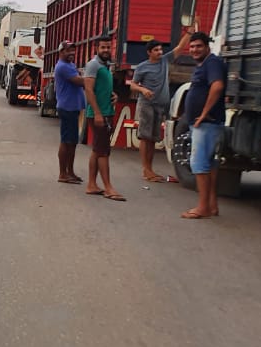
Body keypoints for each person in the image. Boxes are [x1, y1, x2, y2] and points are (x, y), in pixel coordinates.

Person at [128, 30, 192, 182]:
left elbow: (179, 48)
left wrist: (189, 32)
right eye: (156, 50)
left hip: (160, 106)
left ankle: (150, 169)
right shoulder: (142, 67)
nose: (159, 52)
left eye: (160, 49)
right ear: (149, 52)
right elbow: (133, 85)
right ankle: (146, 170)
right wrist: (143, 90)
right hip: (147, 105)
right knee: (145, 137)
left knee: (153, 139)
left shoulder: (164, 61)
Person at [181, 32, 226, 219]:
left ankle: (202, 208)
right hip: (202, 123)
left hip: (206, 123)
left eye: (198, 46)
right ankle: (211, 205)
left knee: (198, 164)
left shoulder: (212, 62)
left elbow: (217, 86)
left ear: (207, 46)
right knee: (209, 164)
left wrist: (204, 114)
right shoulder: (203, 64)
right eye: (192, 47)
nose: (194, 50)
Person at [84, 36, 125, 201]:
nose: (106, 50)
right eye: (103, 47)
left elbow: (101, 88)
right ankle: (108, 187)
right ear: (96, 48)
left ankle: (92, 185)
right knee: (103, 152)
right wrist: (98, 113)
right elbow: (88, 90)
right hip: (98, 114)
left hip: (106, 112)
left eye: (108, 47)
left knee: (97, 150)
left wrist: (113, 95)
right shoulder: (93, 65)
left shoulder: (105, 66)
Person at [53, 40, 85, 183]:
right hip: (67, 107)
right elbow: (80, 81)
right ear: (61, 52)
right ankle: (62, 173)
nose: (71, 53)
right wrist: (91, 78)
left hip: (73, 107)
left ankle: (70, 172)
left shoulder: (70, 65)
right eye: (68, 51)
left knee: (72, 142)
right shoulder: (63, 67)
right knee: (66, 141)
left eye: (73, 50)